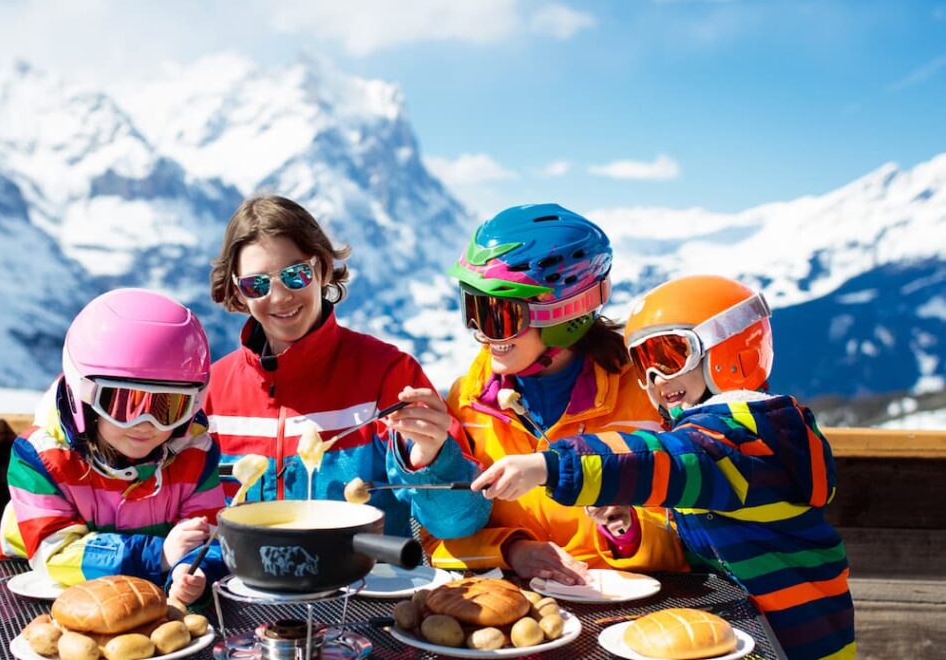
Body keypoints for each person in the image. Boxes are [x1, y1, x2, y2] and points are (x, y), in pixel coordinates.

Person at [472, 274, 855, 659]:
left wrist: (550, 466)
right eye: (643, 364)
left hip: (795, 642)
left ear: (730, 349)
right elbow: (697, 517)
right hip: (751, 633)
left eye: (669, 355)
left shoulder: (746, 439)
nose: (655, 379)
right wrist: (629, 525)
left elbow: (663, 457)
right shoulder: (725, 442)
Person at [425, 203, 687, 583]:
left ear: (564, 316)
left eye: (498, 315)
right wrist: (512, 550)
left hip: (630, 618)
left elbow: (697, 539)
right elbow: (437, 537)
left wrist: (627, 532)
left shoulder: (649, 395)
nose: (480, 331)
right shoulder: (468, 401)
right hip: (518, 617)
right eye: (472, 309)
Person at [204, 195, 489, 540]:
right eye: (257, 284)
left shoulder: (388, 375)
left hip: (364, 587)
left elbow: (459, 523)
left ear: (322, 269)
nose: (278, 297)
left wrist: (432, 457)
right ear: (238, 292)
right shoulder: (212, 391)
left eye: (295, 275)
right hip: (244, 587)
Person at [0, 288, 226, 606]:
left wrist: (191, 569)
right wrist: (158, 555)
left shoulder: (193, 453)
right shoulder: (41, 458)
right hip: (42, 595)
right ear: (84, 397)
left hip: (151, 599)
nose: (146, 424)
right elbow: (56, 551)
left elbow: (209, 535)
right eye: (125, 404)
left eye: (168, 408)